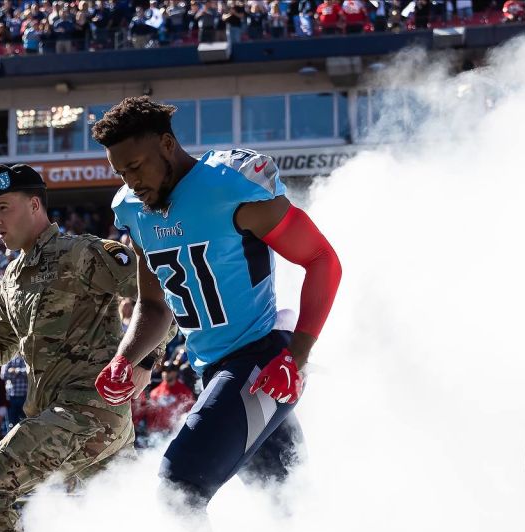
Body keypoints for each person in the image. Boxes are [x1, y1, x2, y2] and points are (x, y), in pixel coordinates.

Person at [90, 96, 341, 508]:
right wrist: (125, 356)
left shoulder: (228, 184)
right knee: (286, 509)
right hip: (214, 370)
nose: (130, 181)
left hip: (261, 360)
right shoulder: (133, 210)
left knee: (179, 488)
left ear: (167, 145)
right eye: (120, 172)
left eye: (135, 166)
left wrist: (297, 355)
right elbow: (154, 305)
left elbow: (322, 260)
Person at [0, 163, 168, 532]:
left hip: (89, 412)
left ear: (34, 204)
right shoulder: (11, 279)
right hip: (62, 418)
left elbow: (162, 295)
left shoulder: (84, 253)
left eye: (4, 207)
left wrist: (145, 361)